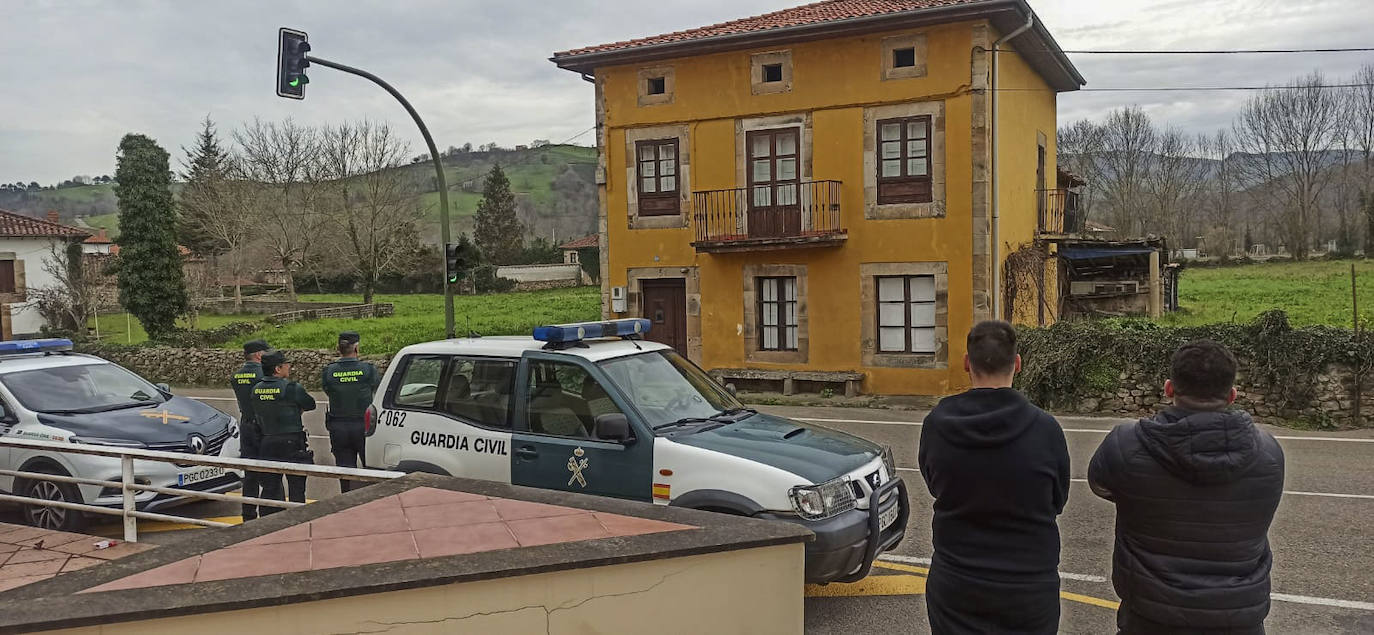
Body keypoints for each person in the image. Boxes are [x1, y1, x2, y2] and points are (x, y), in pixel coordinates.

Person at [1089, 340, 1284, 634]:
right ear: (1232, 395)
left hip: (1150, 616)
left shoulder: (1126, 444)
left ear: (1169, 389)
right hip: (1238, 618)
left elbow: (1101, 486)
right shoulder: (1268, 452)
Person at [918, 320, 1070, 635]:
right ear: (1017, 363)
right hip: (1028, 584)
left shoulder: (937, 425)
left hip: (957, 579)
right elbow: (1057, 500)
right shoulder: (1046, 429)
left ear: (965, 363)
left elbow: (935, 485)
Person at [252, 350, 316, 514]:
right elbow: (310, 404)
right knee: (296, 487)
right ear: (277, 369)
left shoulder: (256, 389)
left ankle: (268, 523)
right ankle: (297, 521)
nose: (289, 366)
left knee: (270, 489)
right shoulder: (292, 388)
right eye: (286, 364)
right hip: (292, 442)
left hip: (267, 441)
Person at [321, 331, 380, 492]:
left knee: (345, 472)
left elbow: (328, 390)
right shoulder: (368, 370)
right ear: (356, 348)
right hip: (364, 426)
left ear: (338, 348)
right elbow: (376, 388)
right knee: (371, 470)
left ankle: (347, 502)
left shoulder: (329, 371)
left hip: (338, 426)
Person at [231, 340, 271, 521]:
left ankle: (248, 513)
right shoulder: (263, 374)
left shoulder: (236, 376)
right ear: (258, 355)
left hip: (246, 424)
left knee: (250, 473)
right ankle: (269, 512)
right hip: (263, 426)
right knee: (270, 472)